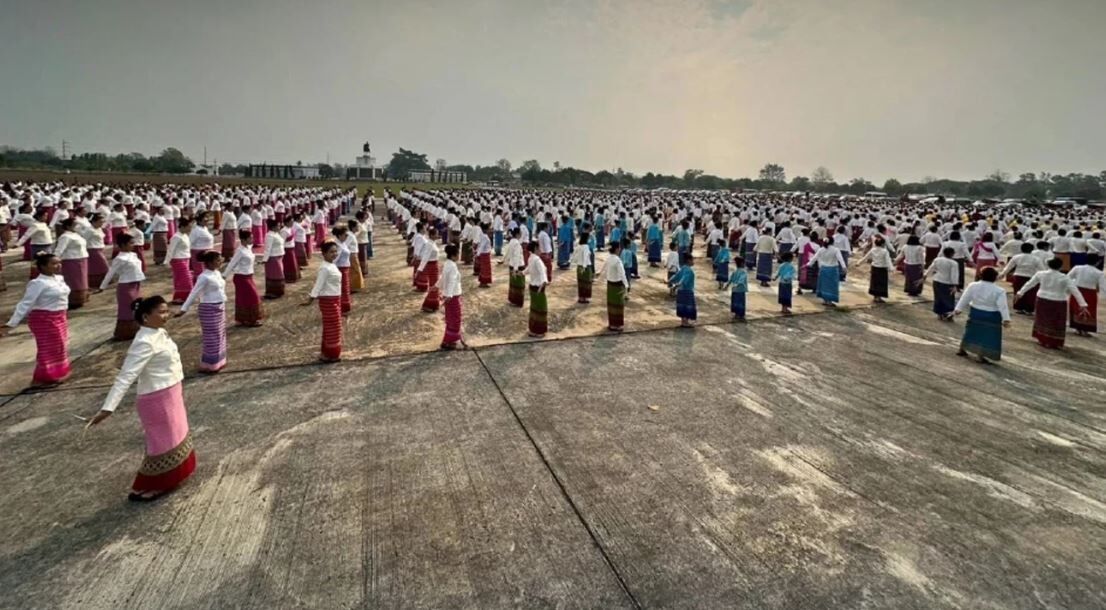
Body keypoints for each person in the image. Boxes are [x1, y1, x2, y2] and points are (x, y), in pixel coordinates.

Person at [86, 296, 195, 502]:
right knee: (161, 444)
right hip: (157, 399)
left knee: (175, 437)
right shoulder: (143, 342)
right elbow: (126, 375)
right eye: (161, 312)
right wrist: (108, 408)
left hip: (171, 391)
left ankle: (172, 477)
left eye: (166, 311)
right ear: (146, 317)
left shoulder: (159, 333)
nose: (166, 315)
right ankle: (151, 485)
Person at [1, 253, 71, 386]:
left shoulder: (59, 279)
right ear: (43, 267)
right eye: (54, 263)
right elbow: (25, 303)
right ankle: (43, 377)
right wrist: (12, 323)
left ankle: (58, 372)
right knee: (48, 348)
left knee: (59, 346)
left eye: (59, 262)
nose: (58, 266)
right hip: (44, 319)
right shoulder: (37, 283)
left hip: (60, 316)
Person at [1016, 257, 1089, 349]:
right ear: (1060, 266)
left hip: (1042, 298)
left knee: (1042, 319)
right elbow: (1075, 291)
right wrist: (1082, 304)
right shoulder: (1064, 277)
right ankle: (1054, 341)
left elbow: (1030, 283)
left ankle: (1042, 339)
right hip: (1058, 301)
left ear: (1048, 265)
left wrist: (1020, 293)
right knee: (1056, 322)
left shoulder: (1041, 274)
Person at [177, 251, 228, 373]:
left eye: (220, 259)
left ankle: (219, 361)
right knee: (212, 337)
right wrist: (184, 308)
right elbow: (194, 293)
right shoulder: (204, 277)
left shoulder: (216, 273)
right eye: (217, 260)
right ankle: (209, 364)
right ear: (209, 263)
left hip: (220, 306)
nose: (220, 262)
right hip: (208, 308)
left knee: (220, 335)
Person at [954, 267, 1011, 363]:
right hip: (992, 315)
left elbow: (965, 297)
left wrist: (958, 308)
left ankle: (962, 349)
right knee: (987, 335)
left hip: (976, 311)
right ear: (995, 277)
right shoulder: (999, 290)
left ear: (981, 275)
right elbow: (1003, 306)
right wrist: (1006, 319)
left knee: (971, 331)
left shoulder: (973, 285)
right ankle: (981, 355)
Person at [99, 233, 145, 340]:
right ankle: (126, 332)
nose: (133, 245)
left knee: (138, 307)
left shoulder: (133, 255)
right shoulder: (119, 259)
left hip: (136, 283)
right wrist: (102, 286)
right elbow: (111, 273)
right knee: (128, 309)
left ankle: (138, 328)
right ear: (123, 245)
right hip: (126, 286)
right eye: (131, 243)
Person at [303, 241, 343, 362]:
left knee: (331, 327)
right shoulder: (324, 268)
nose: (334, 254)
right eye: (331, 252)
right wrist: (310, 299)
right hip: (328, 301)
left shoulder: (332, 265)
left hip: (335, 299)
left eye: (335, 251)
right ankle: (331, 354)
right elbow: (318, 285)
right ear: (324, 253)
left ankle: (326, 353)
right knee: (333, 327)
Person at [224, 230, 266, 327]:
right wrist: (224, 275)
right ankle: (251, 319)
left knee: (243, 299)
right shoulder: (240, 251)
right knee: (252, 297)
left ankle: (242, 319)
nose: (252, 239)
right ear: (243, 240)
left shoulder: (248, 248)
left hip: (248, 276)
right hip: (241, 277)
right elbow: (232, 264)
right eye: (250, 238)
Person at [52, 218, 90, 309]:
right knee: (73, 281)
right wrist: (54, 260)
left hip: (81, 259)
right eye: (75, 225)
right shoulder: (65, 236)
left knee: (82, 280)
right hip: (71, 260)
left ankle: (81, 298)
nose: (78, 226)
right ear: (69, 226)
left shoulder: (76, 235)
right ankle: (72, 300)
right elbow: (59, 250)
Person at [999, 242, 1045, 315]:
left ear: (1021, 249)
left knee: (1018, 291)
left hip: (1018, 276)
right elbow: (1042, 269)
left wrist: (1002, 274)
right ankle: (1029, 309)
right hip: (1031, 277)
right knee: (1030, 294)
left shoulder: (1016, 257)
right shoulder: (1036, 259)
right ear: (1032, 250)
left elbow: (1008, 267)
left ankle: (1019, 307)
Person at [1068, 254, 1105, 336]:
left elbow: (1068, 278)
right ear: (1098, 262)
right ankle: (1085, 330)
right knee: (1089, 310)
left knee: (1076, 308)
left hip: (1077, 290)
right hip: (1090, 293)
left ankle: (1077, 328)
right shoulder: (1099, 273)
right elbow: (1103, 286)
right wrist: (1103, 296)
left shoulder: (1077, 268)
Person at [438, 244, 465, 350]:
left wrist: (436, 286)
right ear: (454, 255)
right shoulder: (452, 267)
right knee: (455, 319)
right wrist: (448, 295)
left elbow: (443, 278)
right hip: (453, 296)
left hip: (449, 295)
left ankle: (448, 340)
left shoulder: (447, 264)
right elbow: (451, 281)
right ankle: (449, 341)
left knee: (450, 319)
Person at [601, 240, 630, 332]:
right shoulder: (618, 260)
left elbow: (603, 269)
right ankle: (618, 325)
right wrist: (626, 285)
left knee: (611, 305)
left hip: (610, 284)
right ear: (617, 249)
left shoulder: (609, 258)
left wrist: (598, 274)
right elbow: (622, 274)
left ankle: (612, 324)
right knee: (618, 305)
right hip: (617, 285)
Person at [924, 247, 960, 321]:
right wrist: (955, 284)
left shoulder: (937, 260)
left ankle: (939, 313)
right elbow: (954, 275)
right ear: (952, 254)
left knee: (938, 297)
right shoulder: (953, 263)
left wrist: (925, 275)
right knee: (948, 299)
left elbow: (931, 268)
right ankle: (947, 313)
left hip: (937, 280)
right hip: (947, 282)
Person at [809, 239, 847, 307]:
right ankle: (829, 301)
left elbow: (814, 258)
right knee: (831, 286)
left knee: (824, 285)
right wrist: (844, 267)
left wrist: (808, 264)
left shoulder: (821, 249)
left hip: (823, 269)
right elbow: (840, 259)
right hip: (833, 270)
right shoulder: (835, 250)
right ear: (832, 242)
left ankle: (825, 300)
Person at [525, 240, 549, 338]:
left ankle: (533, 329)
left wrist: (521, 273)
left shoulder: (531, 258)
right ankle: (538, 331)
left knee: (534, 309)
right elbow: (542, 273)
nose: (540, 250)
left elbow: (528, 269)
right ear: (535, 249)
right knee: (540, 309)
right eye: (539, 248)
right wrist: (544, 283)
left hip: (532, 286)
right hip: (539, 287)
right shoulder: (537, 260)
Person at [856, 237, 892, 303]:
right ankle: (879, 297)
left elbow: (866, 257)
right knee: (881, 283)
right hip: (882, 269)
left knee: (874, 282)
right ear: (883, 244)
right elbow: (888, 260)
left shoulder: (873, 250)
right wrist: (891, 268)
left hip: (874, 268)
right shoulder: (885, 251)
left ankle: (875, 297)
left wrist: (859, 263)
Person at [417, 229, 442, 312]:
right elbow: (425, 257)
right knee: (434, 285)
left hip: (434, 265)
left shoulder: (432, 243)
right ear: (431, 235)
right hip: (431, 266)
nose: (437, 235)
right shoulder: (429, 244)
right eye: (436, 234)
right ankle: (428, 304)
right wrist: (420, 269)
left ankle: (434, 303)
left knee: (435, 285)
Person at [668, 258, 697, 327]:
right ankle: (686, 322)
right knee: (687, 306)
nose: (693, 261)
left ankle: (683, 321)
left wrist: (670, 281)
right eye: (692, 260)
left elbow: (676, 276)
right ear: (689, 261)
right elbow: (684, 279)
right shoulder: (689, 271)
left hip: (680, 291)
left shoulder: (683, 268)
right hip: (687, 291)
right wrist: (678, 284)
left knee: (682, 306)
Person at [261, 219, 286, 299]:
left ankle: (278, 291)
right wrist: (265, 260)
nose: (279, 227)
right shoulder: (269, 235)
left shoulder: (276, 234)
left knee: (279, 274)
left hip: (278, 257)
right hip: (273, 258)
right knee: (276, 275)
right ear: (273, 227)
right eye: (278, 226)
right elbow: (267, 248)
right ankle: (273, 292)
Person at [503, 228, 525, 307]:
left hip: (512, 265)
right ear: (517, 234)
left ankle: (513, 299)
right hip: (518, 266)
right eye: (520, 233)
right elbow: (516, 256)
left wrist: (504, 260)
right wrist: (516, 269)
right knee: (519, 285)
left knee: (513, 284)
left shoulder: (511, 242)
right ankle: (518, 301)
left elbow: (507, 252)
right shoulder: (517, 244)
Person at [570, 233, 593, 304]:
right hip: (585, 267)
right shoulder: (586, 247)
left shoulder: (578, 246)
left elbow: (574, 256)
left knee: (581, 283)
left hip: (579, 266)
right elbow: (585, 257)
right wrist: (584, 266)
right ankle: (584, 298)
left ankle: (581, 297)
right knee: (586, 283)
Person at [726, 257, 748, 321]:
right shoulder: (743, 272)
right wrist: (738, 284)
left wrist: (727, 286)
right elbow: (741, 280)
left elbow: (731, 279)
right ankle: (740, 315)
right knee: (740, 302)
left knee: (735, 301)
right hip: (740, 289)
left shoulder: (735, 271)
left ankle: (736, 314)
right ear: (742, 264)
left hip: (734, 290)